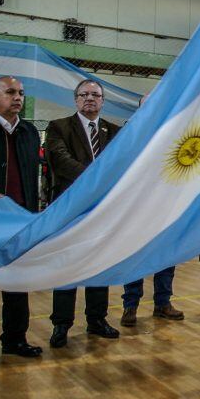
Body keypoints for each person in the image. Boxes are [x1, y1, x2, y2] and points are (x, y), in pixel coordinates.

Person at [45, 79, 121, 348]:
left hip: (101, 211)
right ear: (75, 99)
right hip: (69, 209)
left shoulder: (114, 131)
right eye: (84, 94)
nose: (90, 98)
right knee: (66, 267)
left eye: (95, 95)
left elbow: (121, 164)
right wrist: (96, 179)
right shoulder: (58, 127)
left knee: (97, 265)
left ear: (102, 101)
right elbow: (59, 160)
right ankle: (61, 324)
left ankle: (97, 319)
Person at [0, 76, 43, 373]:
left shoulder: (29, 132)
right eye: (11, 92)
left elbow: (32, 177)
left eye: (21, 93)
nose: (18, 97)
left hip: (20, 224)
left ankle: (15, 339)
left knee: (18, 284)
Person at [120, 93, 184, 327]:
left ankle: (163, 303)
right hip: (136, 208)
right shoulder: (128, 135)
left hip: (165, 207)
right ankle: (130, 306)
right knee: (134, 258)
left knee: (166, 258)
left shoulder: (174, 134)